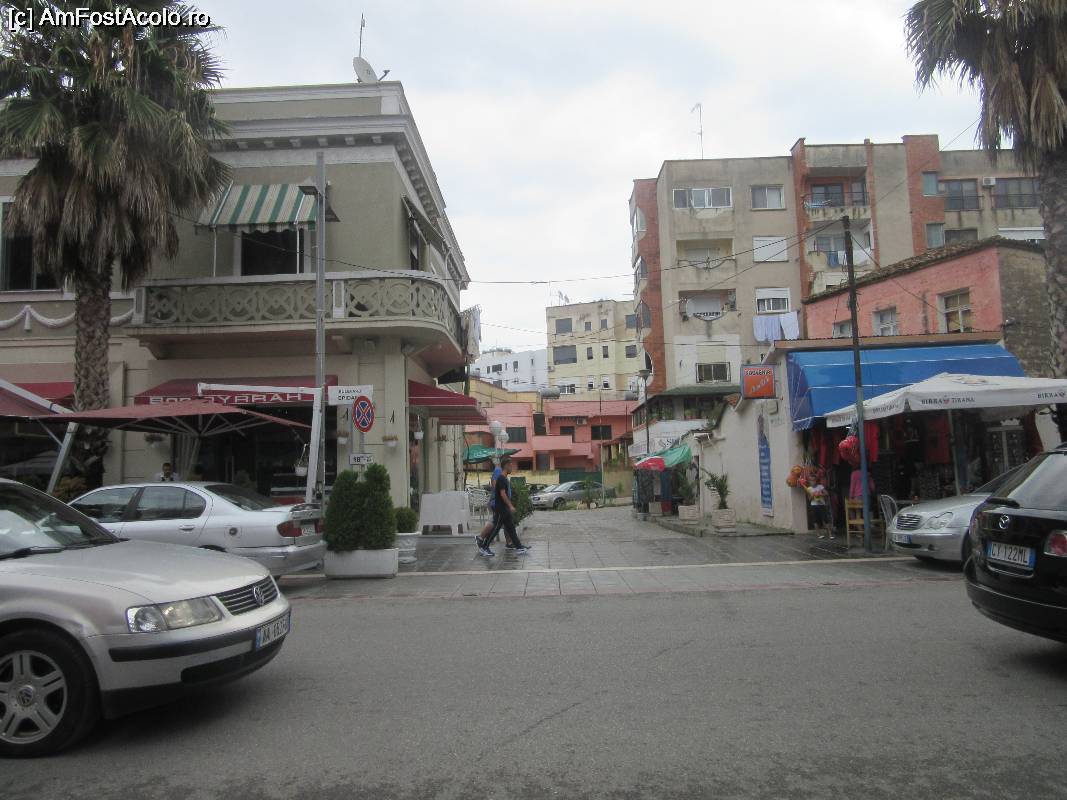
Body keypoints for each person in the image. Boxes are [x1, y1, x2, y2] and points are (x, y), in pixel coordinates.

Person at [481, 457, 529, 556]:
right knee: (496, 528)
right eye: (511, 466)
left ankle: (519, 547)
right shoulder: (501, 478)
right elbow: (502, 494)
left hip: (505, 509)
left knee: (511, 528)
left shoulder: (504, 478)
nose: (512, 468)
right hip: (501, 509)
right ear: (506, 466)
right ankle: (484, 547)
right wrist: (510, 506)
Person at [474, 462, 503, 555]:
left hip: (497, 501)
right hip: (497, 502)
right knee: (495, 523)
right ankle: (482, 541)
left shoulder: (498, 470)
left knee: (502, 523)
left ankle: (515, 544)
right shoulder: (498, 470)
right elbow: (495, 485)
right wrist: (502, 496)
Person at [804, 473, 833, 540]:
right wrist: (812, 496)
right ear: (809, 481)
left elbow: (827, 493)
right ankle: (818, 534)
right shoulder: (809, 489)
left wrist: (820, 494)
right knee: (816, 520)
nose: (812, 482)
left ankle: (830, 534)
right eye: (811, 480)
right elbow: (809, 499)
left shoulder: (820, 486)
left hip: (822, 505)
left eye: (814, 480)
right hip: (814, 506)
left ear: (816, 481)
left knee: (825, 519)